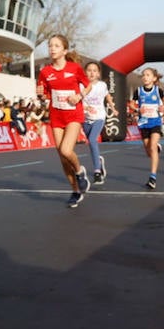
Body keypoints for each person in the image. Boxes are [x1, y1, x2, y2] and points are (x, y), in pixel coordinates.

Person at [37, 34, 91, 208]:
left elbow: (88, 85)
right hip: (56, 115)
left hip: (74, 114)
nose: (52, 48)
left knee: (66, 150)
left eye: (56, 46)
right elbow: (43, 93)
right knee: (62, 157)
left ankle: (80, 171)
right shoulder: (45, 72)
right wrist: (40, 94)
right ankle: (75, 191)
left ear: (64, 50)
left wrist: (79, 95)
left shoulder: (74, 68)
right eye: (50, 46)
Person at [132, 67, 164, 189]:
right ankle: (156, 147)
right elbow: (132, 103)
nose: (145, 77)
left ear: (154, 78)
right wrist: (137, 108)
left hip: (155, 122)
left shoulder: (158, 90)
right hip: (143, 123)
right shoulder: (139, 91)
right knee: (149, 152)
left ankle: (153, 177)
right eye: (143, 75)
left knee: (152, 147)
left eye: (148, 75)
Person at [81, 61, 110, 186]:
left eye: (94, 70)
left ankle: (97, 172)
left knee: (93, 140)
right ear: (85, 72)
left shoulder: (102, 85)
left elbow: (107, 95)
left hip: (99, 116)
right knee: (91, 143)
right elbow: (79, 101)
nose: (92, 73)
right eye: (89, 70)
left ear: (98, 74)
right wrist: (86, 109)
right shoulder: (81, 86)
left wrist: (112, 105)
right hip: (86, 118)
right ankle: (98, 161)